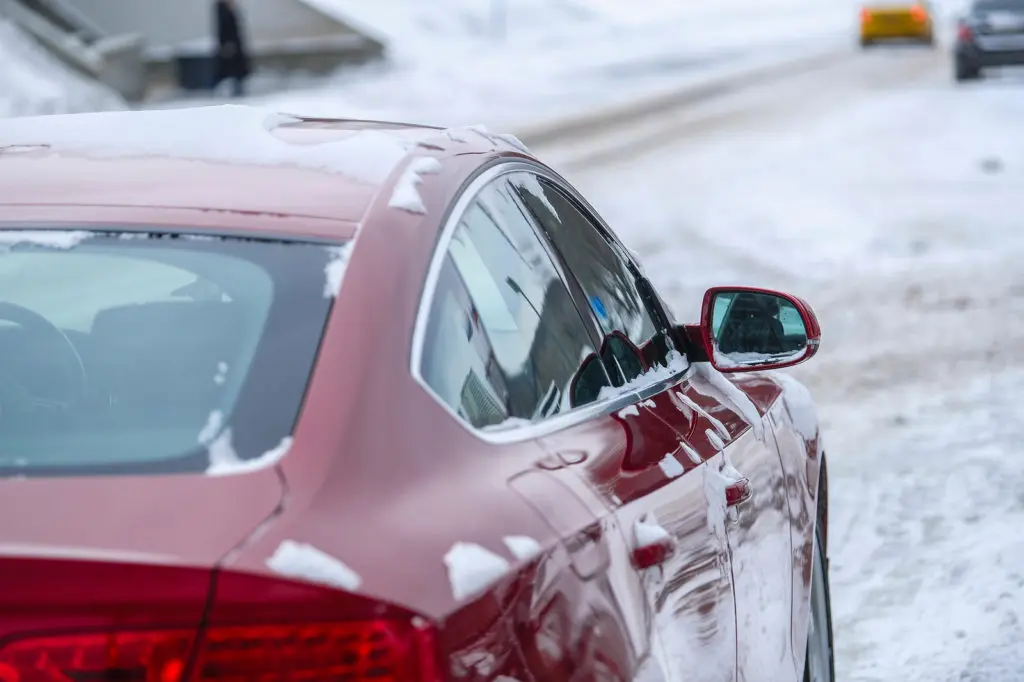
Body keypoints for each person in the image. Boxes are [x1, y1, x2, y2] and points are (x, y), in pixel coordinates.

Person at [213, 0, 250, 97]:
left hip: (234, 45)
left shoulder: (229, 11)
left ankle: (238, 89)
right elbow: (223, 29)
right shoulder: (222, 12)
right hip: (230, 45)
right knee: (230, 70)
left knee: (235, 71)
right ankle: (224, 90)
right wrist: (227, 43)